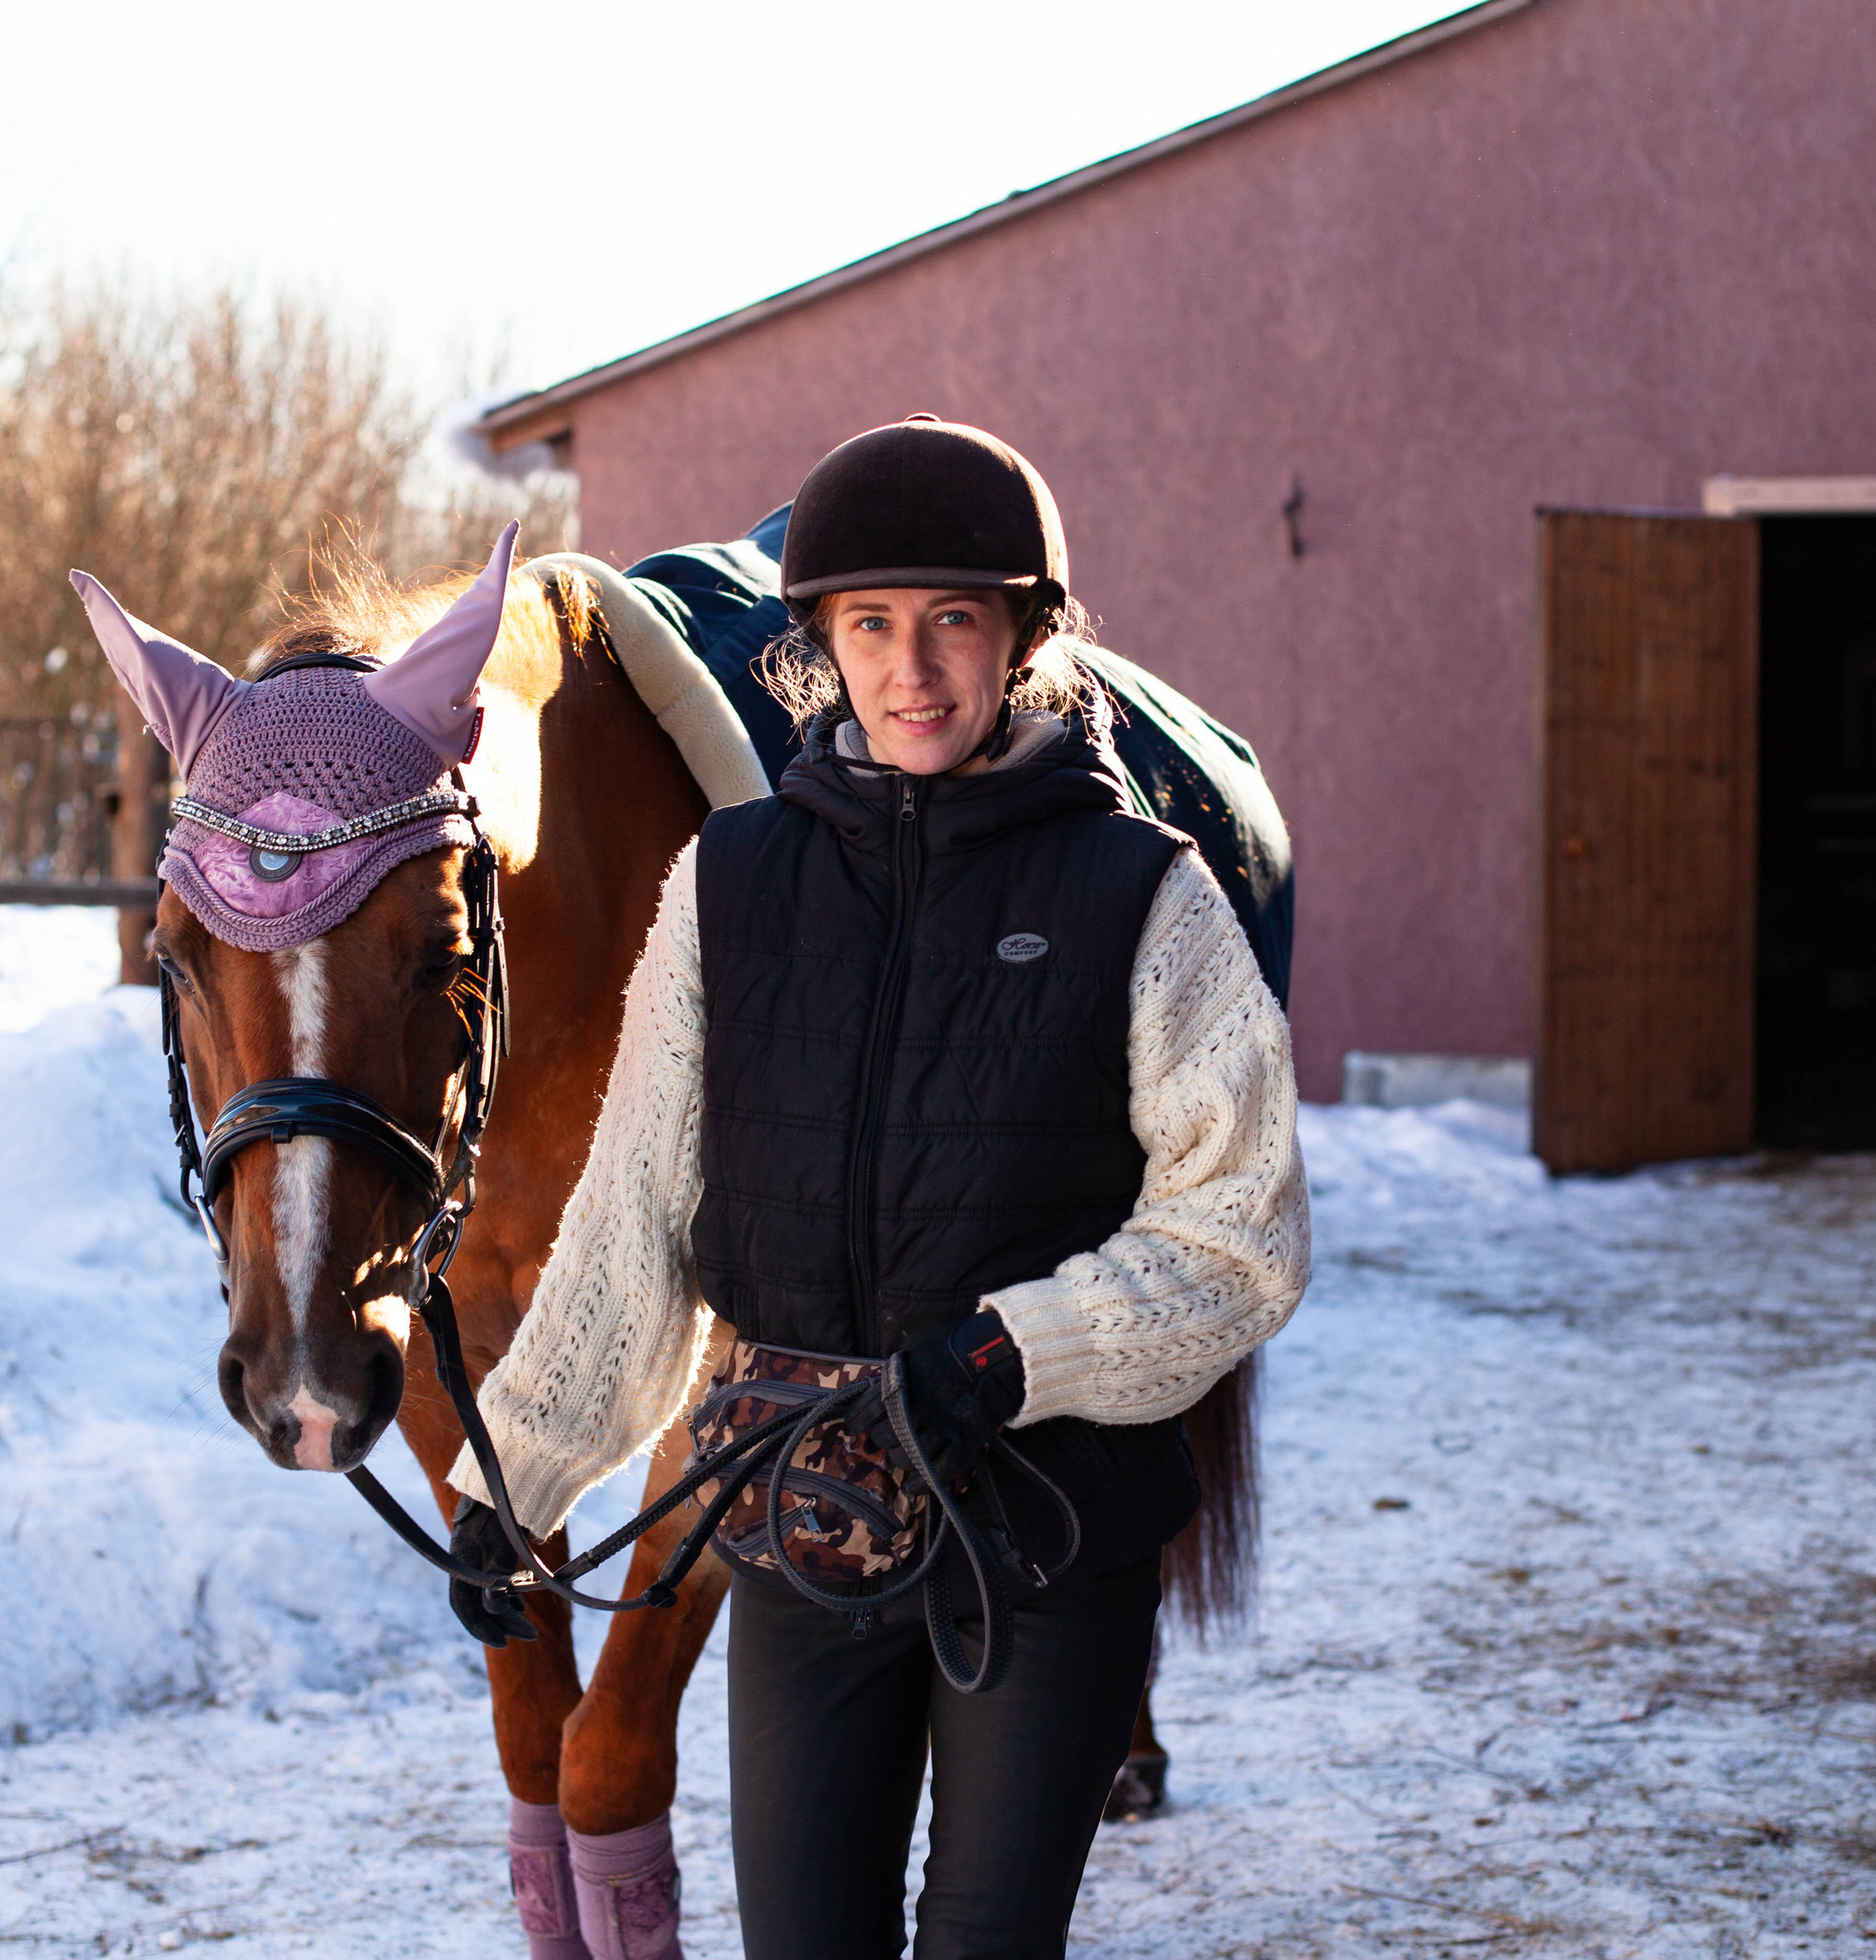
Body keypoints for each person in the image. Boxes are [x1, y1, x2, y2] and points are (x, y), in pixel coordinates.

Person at [446, 415, 1312, 1959]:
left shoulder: (1144, 894)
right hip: (803, 1523)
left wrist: (1006, 1354)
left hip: (1042, 1529)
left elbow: (1238, 1232)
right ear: (818, 646)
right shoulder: (729, 884)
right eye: (868, 625)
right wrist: (508, 1481)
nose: (910, 668)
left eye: (952, 621)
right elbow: (632, 1223)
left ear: (1024, 638)